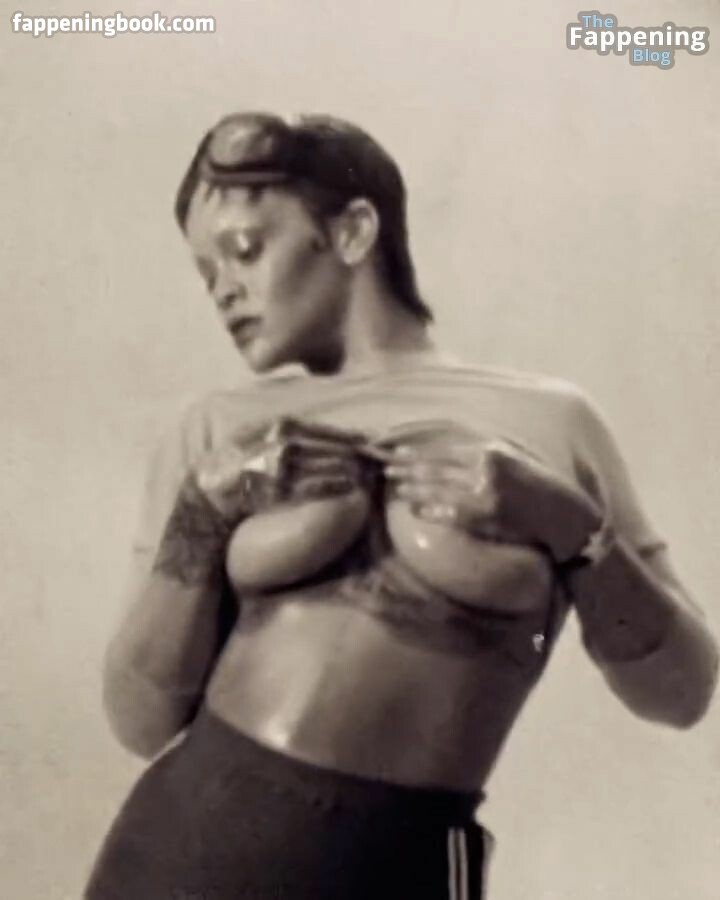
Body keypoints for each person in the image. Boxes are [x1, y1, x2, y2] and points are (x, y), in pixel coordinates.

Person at [85, 112, 718, 900]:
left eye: (244, 250)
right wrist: (202, 514)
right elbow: (140, 722)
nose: (222, 289)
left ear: (353, 231)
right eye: (204, 269)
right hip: (180, 857)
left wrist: (575, 531)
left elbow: (682, 695)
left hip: (400, 867)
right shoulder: (215, 431)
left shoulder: (550, 422)